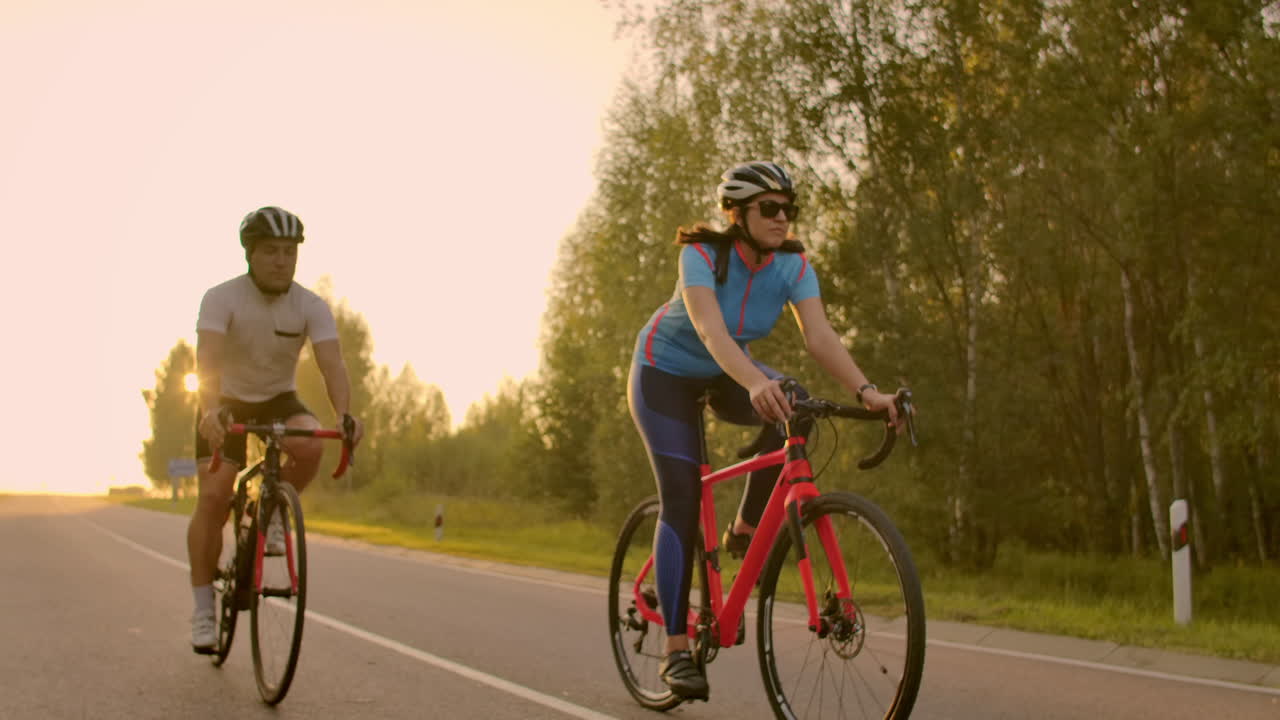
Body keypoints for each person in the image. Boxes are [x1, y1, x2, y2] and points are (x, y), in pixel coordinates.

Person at [627, 162, 904, 699]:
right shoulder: (702, 254)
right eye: (769, 208)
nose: (782, 218)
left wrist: (868, 392)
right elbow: (710, 329)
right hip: (664, 374)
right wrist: (755, 381)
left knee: (797, 404)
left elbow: (820, 337)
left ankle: (745, 527)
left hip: (727, 372)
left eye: (788, 209)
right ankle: (676, 651)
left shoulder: (793, 266)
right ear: (737, 214)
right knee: (681, 500)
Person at [187, 206, 364, 653]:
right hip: (225, 399)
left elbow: (332, 363)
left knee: (310, 444)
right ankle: (204, 608)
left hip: (278, 397)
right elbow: (207, 360)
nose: (281, 261)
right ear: (250, 254)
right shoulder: (221, 298)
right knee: (213, 496)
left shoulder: (310, 305)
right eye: (271, 251)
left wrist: (344, 414)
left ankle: (268, 511)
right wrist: (210, 409)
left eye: (289, 252)